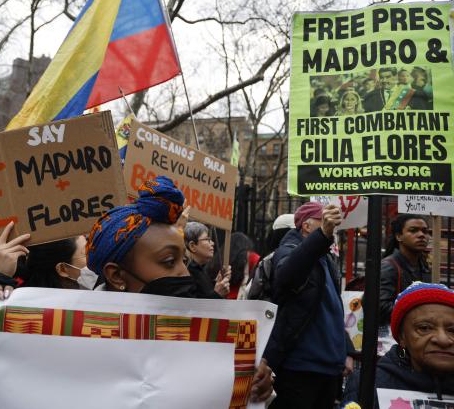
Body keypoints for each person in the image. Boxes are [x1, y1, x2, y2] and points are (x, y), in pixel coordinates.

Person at [85, 175, 273, 403]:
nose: (184, 273)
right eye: (168, 261)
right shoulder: (75, 339)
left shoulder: (210, 332)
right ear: (116, 275)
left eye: (183, 260)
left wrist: (255, 383)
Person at [265, 202, 355, 409]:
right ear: (306, 226)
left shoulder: (327, 259)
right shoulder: (288, 250)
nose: (332, 227)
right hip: (300, 369)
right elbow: (286, 277)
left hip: (329, 369)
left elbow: (333, 309)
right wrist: (323, 234)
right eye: (322, 221)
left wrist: (346, 351)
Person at [344, 282, 454, 407]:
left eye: (452, 330)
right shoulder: (367, 384)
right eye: (424, 328)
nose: (443, 340)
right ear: (402, 337)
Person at [0, 222, 96, 300]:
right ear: (62, 269)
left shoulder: (103, 287)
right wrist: (0, 277)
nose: (94, 255)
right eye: (86, 253)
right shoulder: (25, 305)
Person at [379, 214, 431, 325]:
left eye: (425, 231)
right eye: (413, 230)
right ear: (399, 236)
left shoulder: (424, 266)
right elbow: (379, 307)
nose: (421, 235)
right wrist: (420, 313)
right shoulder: (388, 267)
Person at [184, 221, 230, 298]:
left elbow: (204, 293)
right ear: (192, 246)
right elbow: (193, 307)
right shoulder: (186, 272)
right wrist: (217, 294)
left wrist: (216, 283)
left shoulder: (199, 269)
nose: (212, 243)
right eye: (207, 239)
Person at [363, 67, 428, 112]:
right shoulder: (371, 96)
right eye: (382, 78)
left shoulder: (413, 94)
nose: (384, 80)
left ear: (396, 77)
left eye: (388, 77)